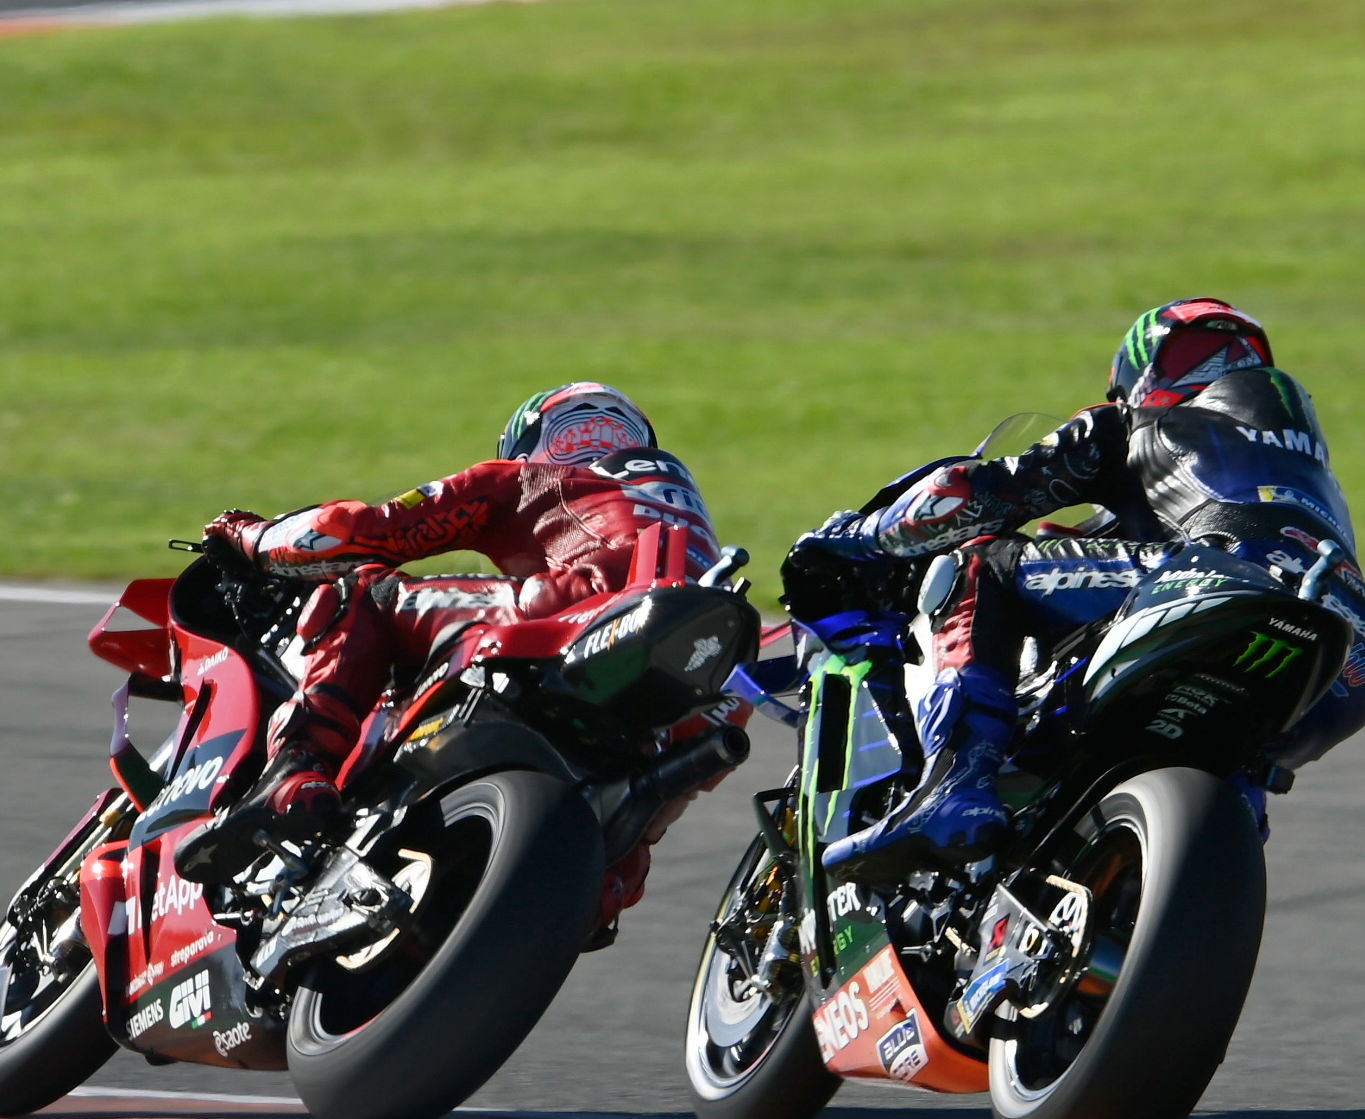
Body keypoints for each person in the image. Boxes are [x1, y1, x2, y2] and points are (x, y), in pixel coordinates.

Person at [793, 297, 1365, 876]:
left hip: (1214, 580)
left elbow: (971, 496)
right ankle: (1175, 877)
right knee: (1235, 759)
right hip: (1347, 656)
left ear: (1146, 372)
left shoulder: (1139, 423)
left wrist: (855, 537)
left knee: (983, 562)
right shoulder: (1315, 482)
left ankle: (957, 782)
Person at [175, 382, 728, 925]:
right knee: (667, 769)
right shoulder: (695, 547)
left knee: (365, 592)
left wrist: (250, 538)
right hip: (680, 681)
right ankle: (601, 881)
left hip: (568, 613)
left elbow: (360, 532)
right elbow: (703, 749)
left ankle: (297, 773)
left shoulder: (533, 478)